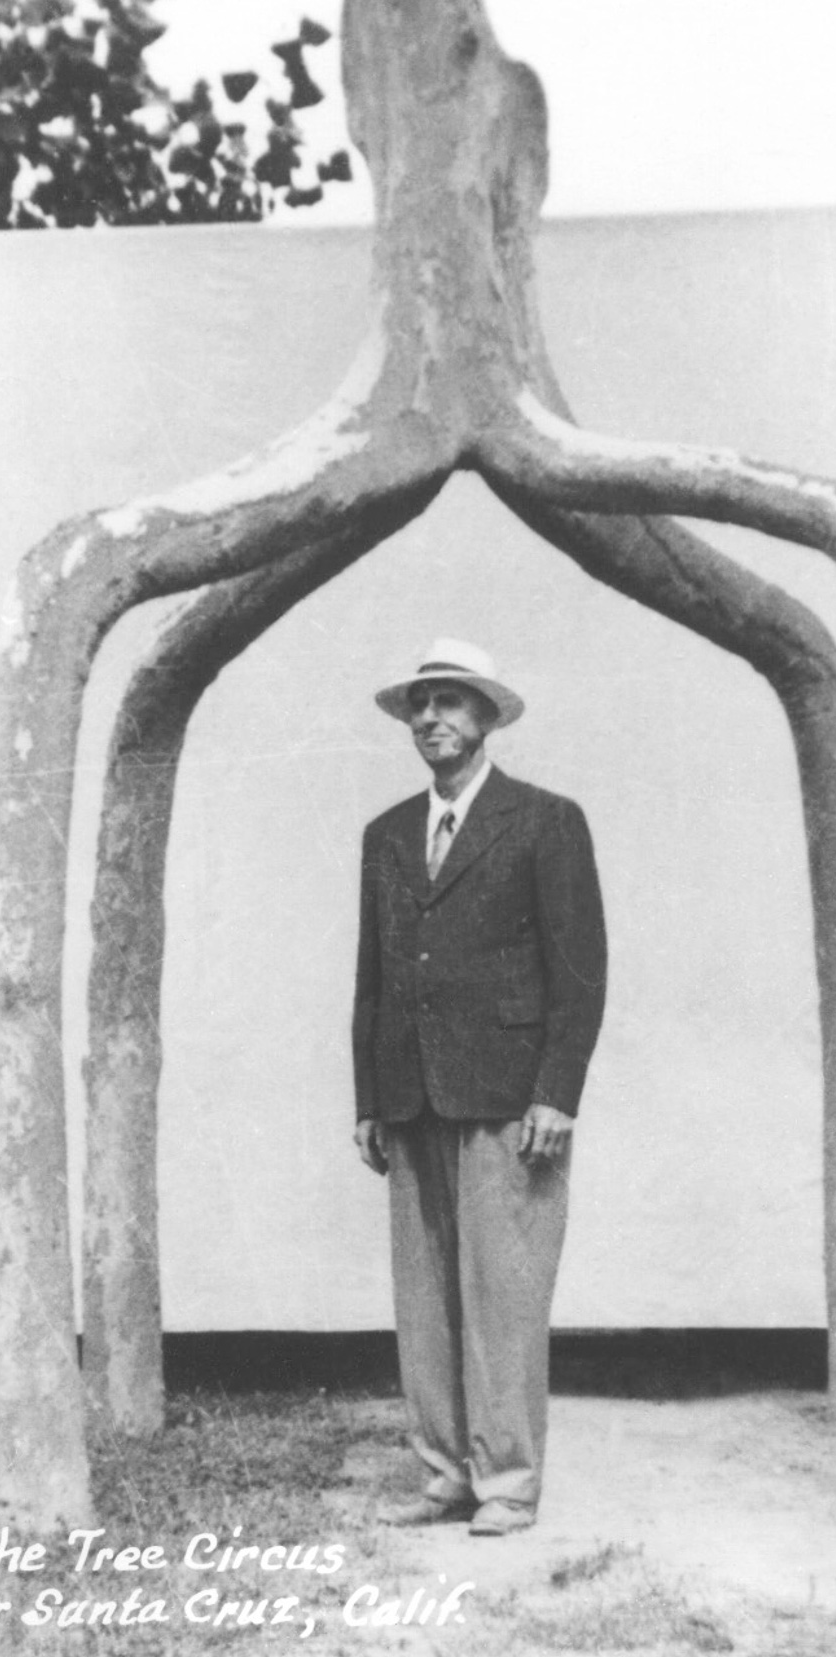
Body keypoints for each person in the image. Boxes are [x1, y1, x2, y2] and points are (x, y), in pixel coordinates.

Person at [352, 638, 607, 1536]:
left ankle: (507, 1484)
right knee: (423, 1298)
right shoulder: (385, 834)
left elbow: (579, 971)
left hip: (508, 1097)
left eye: (451, 702)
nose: (432, 720)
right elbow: (373, 978)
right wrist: (367, 1097)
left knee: (503, 1293)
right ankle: (444, 1473)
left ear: (488, 716)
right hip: (410, 1093)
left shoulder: (545, 820)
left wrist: (557, 1091)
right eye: (420, 705)